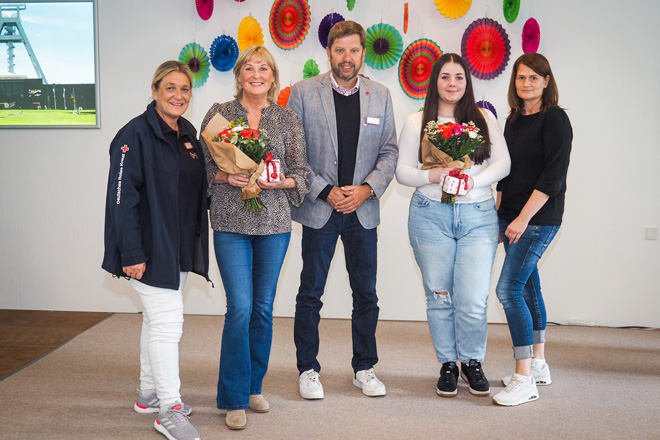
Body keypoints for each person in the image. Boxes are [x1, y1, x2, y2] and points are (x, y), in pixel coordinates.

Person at [199, 45, 310, 430]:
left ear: (273, 76)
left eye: (264, 68)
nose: (256, 74)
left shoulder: (287, 119)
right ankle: (231, 398)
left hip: (275, 225)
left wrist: (282, 181)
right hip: (230, 221)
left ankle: (252, 387)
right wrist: (225, 176)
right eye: (250, 67)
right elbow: (200, 168)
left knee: (263, 309)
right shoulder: (219, 115)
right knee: (240, 308)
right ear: (240, 75)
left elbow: (303, 174)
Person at [287, 20, 398, 400]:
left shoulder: (380, 95)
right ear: (329, 53)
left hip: (362, 212)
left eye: (353, 50)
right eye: (339, 50)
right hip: (321, 208)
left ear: (363, 53)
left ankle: (364, 367)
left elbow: (389, 152)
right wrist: (325, 191)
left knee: (365, 293)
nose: (346, 57)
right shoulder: (303, 93)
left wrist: (367, 190)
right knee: (311, 292)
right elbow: (293, 153)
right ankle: (307, 369)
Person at [102, 60, 208, 440]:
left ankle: (148, 393)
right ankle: (169, 408)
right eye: (170, 88)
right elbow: (121, 201)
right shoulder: (134, 135)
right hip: (147, 248)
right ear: (155, 90)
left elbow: (198, 185)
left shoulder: (187, 133)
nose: (178, 95)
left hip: (176, 245)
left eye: (185, 89)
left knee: (154, 321)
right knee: (168, 324)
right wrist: (131, 253)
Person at [396, 53, 511, 398]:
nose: (452, 84)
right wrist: (434, 174)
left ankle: (472, 361)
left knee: (474, 298)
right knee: (439, 295)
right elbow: (402, 172)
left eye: (458, 77)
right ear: (435, 82)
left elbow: (503, 163)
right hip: (431, 215)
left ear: (467, 82)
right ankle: (448, 362)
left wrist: (471, 183)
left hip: (477, 217)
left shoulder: (483, 118)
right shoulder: (417, 122)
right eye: (445, 77)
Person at [492, 53, 572, 406]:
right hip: (510, 216)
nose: (526, 84)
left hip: (537, 219)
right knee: (528, 288)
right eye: (521, 78)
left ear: (546, 81)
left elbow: (552, 177)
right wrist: (499, 213)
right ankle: (538, 363)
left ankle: (523, 378)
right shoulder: (513, 120)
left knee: (508, 290)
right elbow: (506, 171)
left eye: (533, 78)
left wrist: (523, 218)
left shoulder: (555, 119)